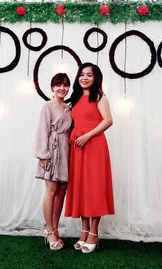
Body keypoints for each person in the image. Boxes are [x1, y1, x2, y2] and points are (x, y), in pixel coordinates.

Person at [65, 63, 115, 253]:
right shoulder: (76, 98)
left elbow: (108, 120)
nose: (84, 78)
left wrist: (87, 136)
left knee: (94, 188)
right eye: (82, 74)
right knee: (82, 189)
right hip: (77, 149)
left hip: (94, 146)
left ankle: (94, 232)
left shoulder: (99, 96)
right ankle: (84, 231)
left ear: (96, 78)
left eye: (89, 75)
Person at [35, 73, 72, 251]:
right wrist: (43, 155)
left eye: (65, 85)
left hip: (66, 152)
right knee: (51, 191)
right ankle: (49, 231)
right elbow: (42, 130)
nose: (62, 88)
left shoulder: (68, 108)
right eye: (58, 85)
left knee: (61, 192)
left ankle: (55, 229)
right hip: (51, 150)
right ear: (52, 87)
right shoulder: (47, 106)